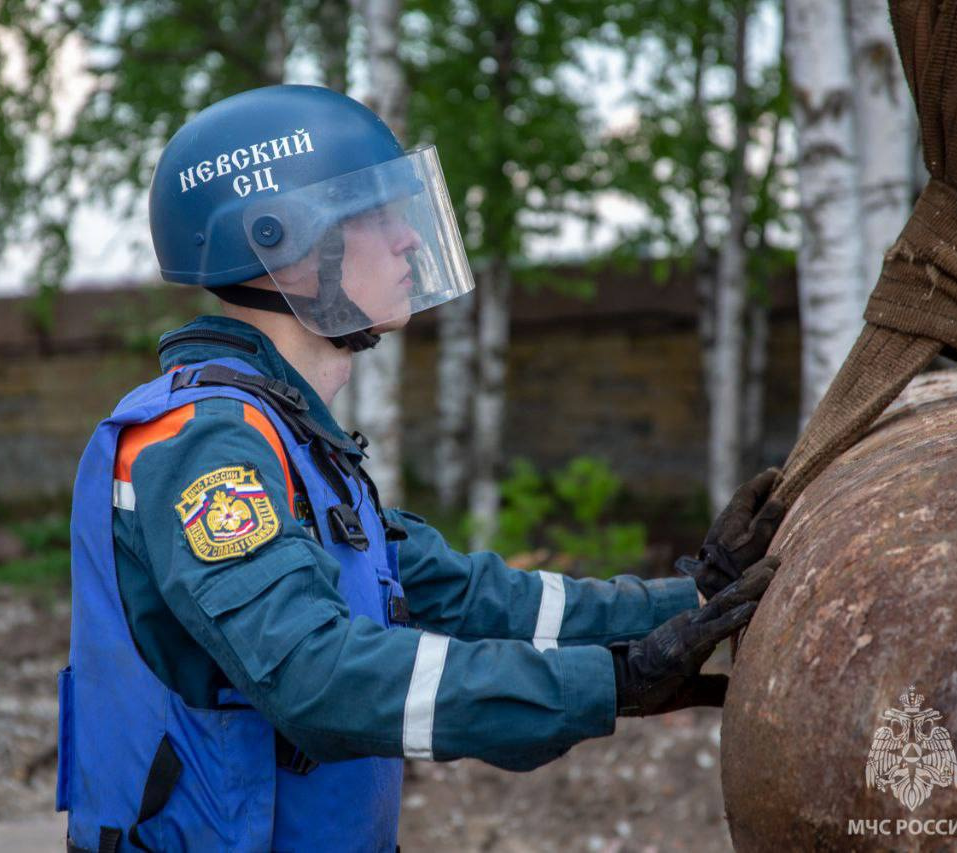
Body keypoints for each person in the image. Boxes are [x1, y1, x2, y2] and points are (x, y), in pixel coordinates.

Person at [57, 85, 784, 853]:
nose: (409, 239)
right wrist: (607, 683)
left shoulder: (290, 437)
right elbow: (316, 676)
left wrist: (693, 596)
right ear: (289, 248)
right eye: (376, 214)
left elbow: (473, 598)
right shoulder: (201, 444)